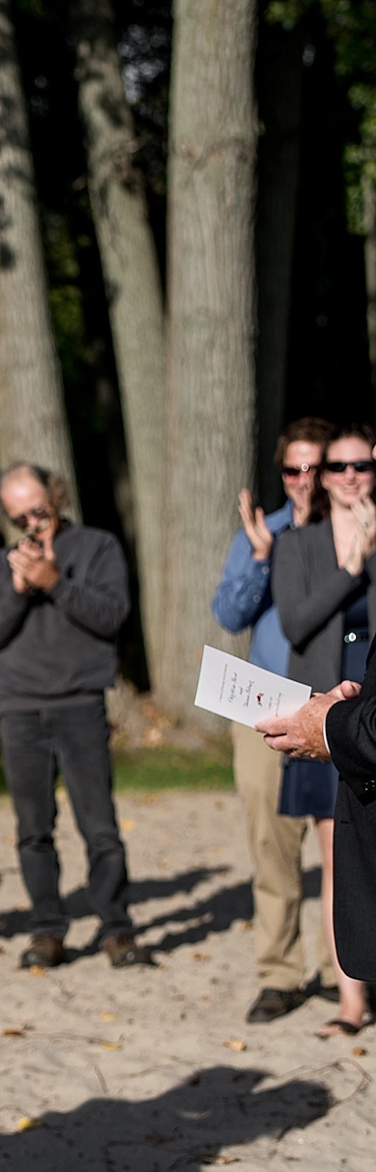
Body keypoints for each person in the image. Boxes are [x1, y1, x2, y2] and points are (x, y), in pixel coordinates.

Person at [0, 462, 150, 970]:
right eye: (19, 518)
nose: (32, 523)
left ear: (56, 495)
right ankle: (47, 929)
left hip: (79, 702)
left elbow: (111, 616)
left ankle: (116, 927)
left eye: (39, 510)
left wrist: (54, 582)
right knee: (33, 828)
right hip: (19, 706)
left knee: (99, 825)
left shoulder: (97, 547)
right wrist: (19, 587)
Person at [211, 417, 335, 1024]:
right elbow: (229, 615)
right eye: (294, 467)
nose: (304, 479)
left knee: (344, 846)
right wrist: (261, 558)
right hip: (266, 706)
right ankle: (280, 975)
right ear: (281, 473)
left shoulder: (353, 531)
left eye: (317, 466)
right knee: (272, 846)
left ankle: (344, 972)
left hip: (335, 704)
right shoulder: (262, 532)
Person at [269, 422, 375, 1037]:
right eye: (337, 466)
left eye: (362, 465)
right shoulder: (298, 544)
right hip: (325, 714)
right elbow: (297, 622)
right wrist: (352, 565)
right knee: (341, 859)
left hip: (374, 710)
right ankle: (351, 1000)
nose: (349, 476)